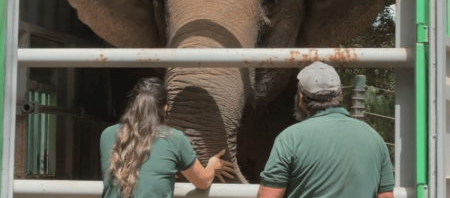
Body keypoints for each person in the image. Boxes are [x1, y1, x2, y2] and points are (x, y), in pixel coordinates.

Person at [257, 61, 394, 198]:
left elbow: (269, 195)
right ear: (340, 94)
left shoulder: (289, 138)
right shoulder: (373, 137)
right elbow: (386, 196)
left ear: (300, 97)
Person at [100, 77, 235, 198]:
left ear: (132, 105)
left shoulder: (107, 134)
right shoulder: (174, 138)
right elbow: (203, 182)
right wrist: (212, 165)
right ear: (165, 108)